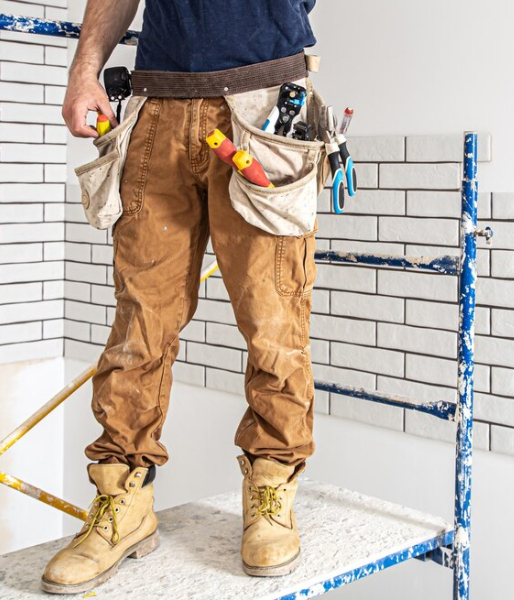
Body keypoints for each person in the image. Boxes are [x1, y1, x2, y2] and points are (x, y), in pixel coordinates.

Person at [41, 0, 329, 593]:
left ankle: (272, 486)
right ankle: (124, 501)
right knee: (139, 324)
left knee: (274, 320)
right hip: (158, 106)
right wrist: (85, 68)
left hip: (265, 102)